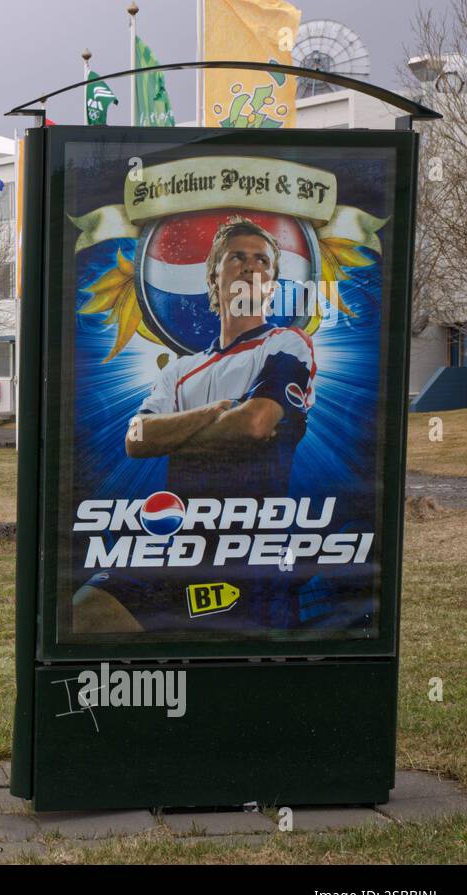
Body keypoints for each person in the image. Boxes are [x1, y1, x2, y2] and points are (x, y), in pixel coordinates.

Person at [73, 215, 317, 634]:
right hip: (179, 545)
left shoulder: (286, 343)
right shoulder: (182, 370)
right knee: (87, 609)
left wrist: (174, 436)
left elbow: (256, 423)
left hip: (250, 551)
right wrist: (210, 414)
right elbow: (136, 437)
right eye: (236, 257)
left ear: (273, 286)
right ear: (213, 276)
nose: (250, 266)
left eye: (262, 260)